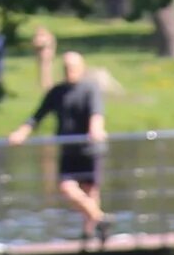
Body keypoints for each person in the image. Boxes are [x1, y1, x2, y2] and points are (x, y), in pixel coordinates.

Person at [8, 49, 106, 243]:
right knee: (67, 188)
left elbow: (97, 114)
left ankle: (90, 232)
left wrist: (96, 129)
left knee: (90, 191)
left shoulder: (90, 89)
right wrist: (22, 132)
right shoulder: (57, 92)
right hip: (68, 150)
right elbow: (37, 116)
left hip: (89, 150)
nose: (70, 70)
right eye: (66, 67)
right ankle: (100, 218)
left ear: (82, 68)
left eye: (73, 67)